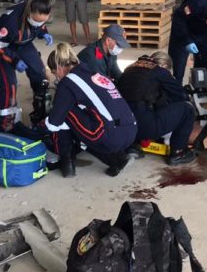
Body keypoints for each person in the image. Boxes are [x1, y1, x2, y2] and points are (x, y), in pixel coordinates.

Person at [44, 43, 137, 177]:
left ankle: (67, 161)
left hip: (112, 136)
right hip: (131, 130)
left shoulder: (67, 82)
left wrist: (43, 126)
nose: (56, 77)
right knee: (82, 121)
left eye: (54, 73)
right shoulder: (95, 73)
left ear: (58, 68)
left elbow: (54, 123)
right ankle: (117, 159)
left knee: (64, 112)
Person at [116, 51, 196, 166]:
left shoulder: (129, 69)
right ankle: (179, 152)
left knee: (138, 107)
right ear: (164, 66)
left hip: (124, 128)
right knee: (187, 109)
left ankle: (132, 146)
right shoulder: (160, 71)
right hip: (145, 127)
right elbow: (180, 96)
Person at [0, 0, 54, 132]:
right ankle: (6, 123)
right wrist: (14, 60)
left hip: (23, 42)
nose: (39, 23)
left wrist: (43, 33)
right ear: (29, 13)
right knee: (10, 84)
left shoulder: (38, 10)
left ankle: (40, 115)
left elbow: (37, 26)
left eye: (43, 21)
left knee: (40, 74)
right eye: (36, 20)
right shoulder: (11, 21)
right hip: (1, 45)